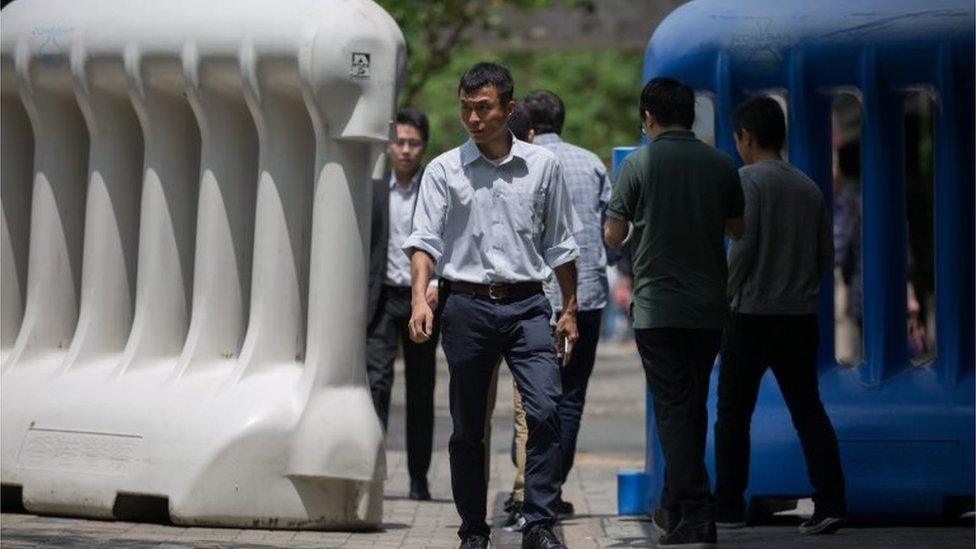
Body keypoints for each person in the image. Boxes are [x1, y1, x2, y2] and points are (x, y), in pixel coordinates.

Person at [404, 62, 580, 549]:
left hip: (527, 307)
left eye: (483, 108)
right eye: (466, 110)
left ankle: (539, 522)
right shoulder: (444, 170)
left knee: (546, 410)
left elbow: (561, 245)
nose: (474, 119)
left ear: (509, 107)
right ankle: (473, 531)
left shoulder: (543, 167)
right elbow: (424, 242)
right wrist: (420, 297)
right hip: (466, 308)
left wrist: (569, 308)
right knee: (467, 429)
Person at [604, 76, 744, 548]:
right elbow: (738, 229)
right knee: (691, 406)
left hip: (659, 307)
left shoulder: (639, 164)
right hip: (709, 308)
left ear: (648, 117)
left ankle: (697, 513)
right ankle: (673, 506)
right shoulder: (721, 164)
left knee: (672, 409)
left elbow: (612, 235)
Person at [715, 95, 847, 535]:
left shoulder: (744, 181)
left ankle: (729, 506)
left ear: (746, 137)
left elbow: (742, 247)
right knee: (808, 409)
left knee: (734, 412)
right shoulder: (808, 186)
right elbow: (824, 254)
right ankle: (830, 502)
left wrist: (725, 294)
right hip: (798, 316)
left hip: (749, 314)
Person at [524, 89, 610, 516]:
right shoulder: (592, 161)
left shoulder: (526, 161)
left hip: (538, 295)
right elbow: (613, 226)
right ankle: (551, 490)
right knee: (571, 396)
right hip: (588, 294)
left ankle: (532, 487)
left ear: (531, 127)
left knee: (537, 395)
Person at [365, 108, 438, 501]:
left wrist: (436, 284)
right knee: (376, 386)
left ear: (423, 146)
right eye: (400, 142)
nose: (406, 150)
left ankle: (418, 477)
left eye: (413, 143)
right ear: (390, 145)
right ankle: (372, 471)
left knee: (421, 391)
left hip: (422, 301)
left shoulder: (434, 185)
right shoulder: (374, 188)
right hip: (382, 299)